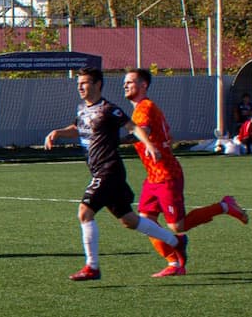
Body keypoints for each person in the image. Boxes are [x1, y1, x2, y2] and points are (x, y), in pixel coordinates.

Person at [42, 67, 186, 280]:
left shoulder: (109, 109)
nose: (80, 87)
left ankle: (92, 267)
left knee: (84, 212)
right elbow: (78, 127)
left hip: (109, 170)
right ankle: (176, 242)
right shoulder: (82, 109)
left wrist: (149, 144)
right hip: (99, 171)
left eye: (84, 83)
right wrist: (58, 132)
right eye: (78, 84)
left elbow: (133, 127)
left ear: (97, 84)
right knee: (129, 220)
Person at [121, 68, 248, 277]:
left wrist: (112, 141)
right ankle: (174, 263)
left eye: (130, 82)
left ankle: (224, 206)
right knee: (145, 222)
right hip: (153, 176)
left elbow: (143, 132)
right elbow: (166, 135)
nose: (125, 85)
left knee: (177, 226)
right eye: (125, 82)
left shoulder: (144, 107)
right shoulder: (145, 108)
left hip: (166, 175)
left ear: (143, 85)